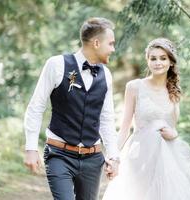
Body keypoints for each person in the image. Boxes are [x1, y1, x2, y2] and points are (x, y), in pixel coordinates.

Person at [23, 17, 120, 200]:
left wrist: (114, 156)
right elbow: (36, 107)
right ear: (96, 43)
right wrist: (30, 148)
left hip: (93, 159)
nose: (113, 49)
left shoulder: (106, 75)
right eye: (111, 44)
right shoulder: (56, 64)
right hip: (59, 154)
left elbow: (106, 120)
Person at [102, 38, 190, 200]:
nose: (158, 62)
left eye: (163, 58)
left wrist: (174, 134)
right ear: (147, 61)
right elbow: (125, 127)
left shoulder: (174, 91)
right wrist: (114, 156)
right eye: (153, 58)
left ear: (171, 62)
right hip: (140, 156)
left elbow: (173, 127)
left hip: (167, 157)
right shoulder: (134, 87)